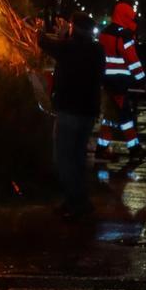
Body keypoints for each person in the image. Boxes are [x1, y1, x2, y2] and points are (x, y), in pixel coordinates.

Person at [36, 11, 104, 220]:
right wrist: (66, 35)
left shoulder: (69, 48)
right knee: (77, 158)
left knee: (63, 160)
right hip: (87, 113)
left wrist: (40, 29)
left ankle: (76, 204)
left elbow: (44, 43)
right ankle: (76, 201)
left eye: (71, 26)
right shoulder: (97, 50)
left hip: (70, 112)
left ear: (76, 29)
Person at [96, 2, 146, 162]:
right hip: (120, 82)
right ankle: (130, 149)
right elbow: (132, 60)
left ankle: (107, 149)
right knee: (121, 116)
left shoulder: (104, 33)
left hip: (107, 81)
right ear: (126, 17)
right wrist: (143, 81)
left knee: (114, 116)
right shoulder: (124, 35)